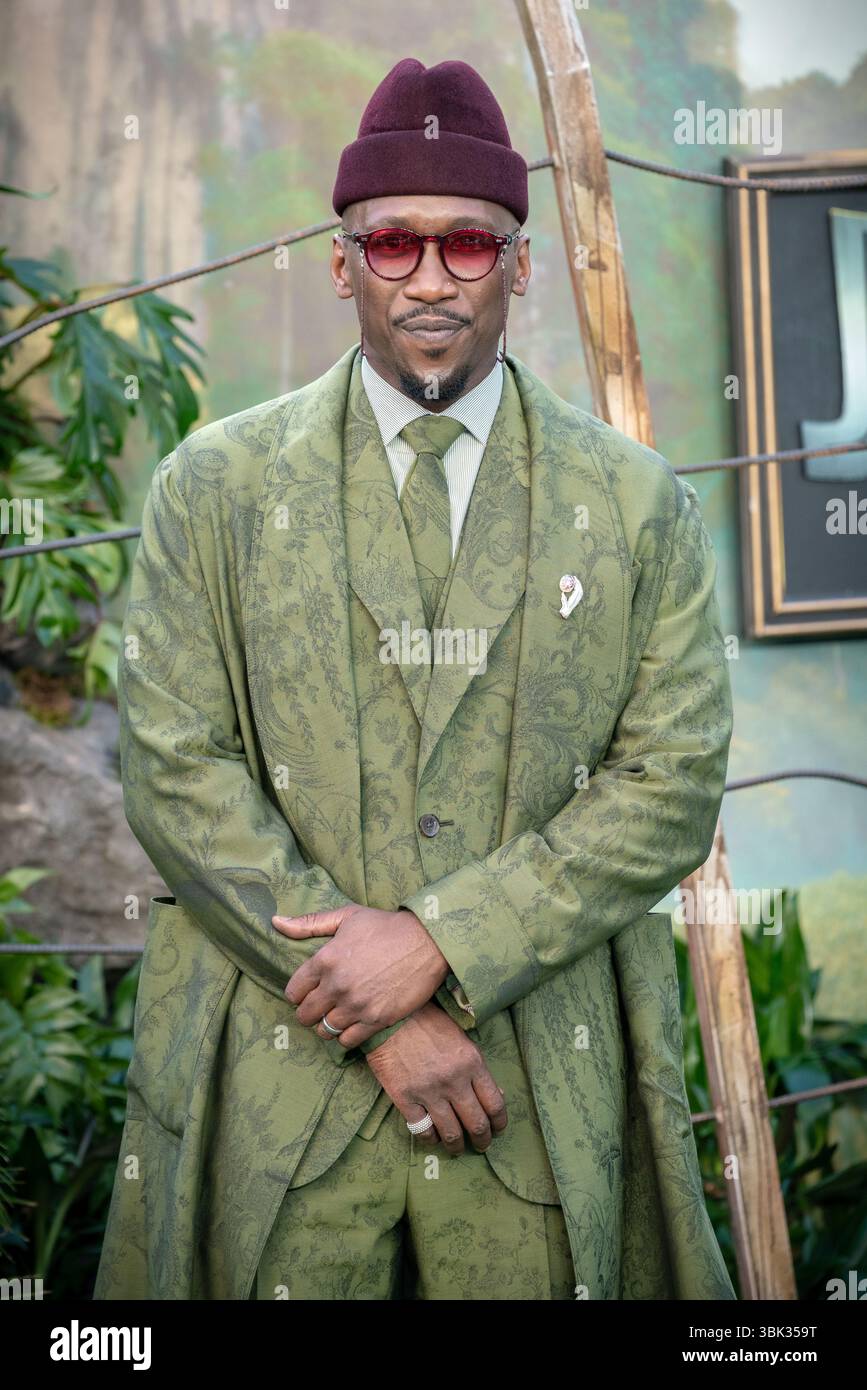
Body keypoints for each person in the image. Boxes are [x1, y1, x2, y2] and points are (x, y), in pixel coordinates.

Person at [94, 57, 736, 1301]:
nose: (431, 279)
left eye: (468, 245)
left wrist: (441, 940)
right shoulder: (213, 490)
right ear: (341, 264)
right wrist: (385, 1009)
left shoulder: (635, 503)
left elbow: (672, 783)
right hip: (277, 1104)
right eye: (392, 244)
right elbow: (175, 773)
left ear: (522, 266)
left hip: (535, 1097)